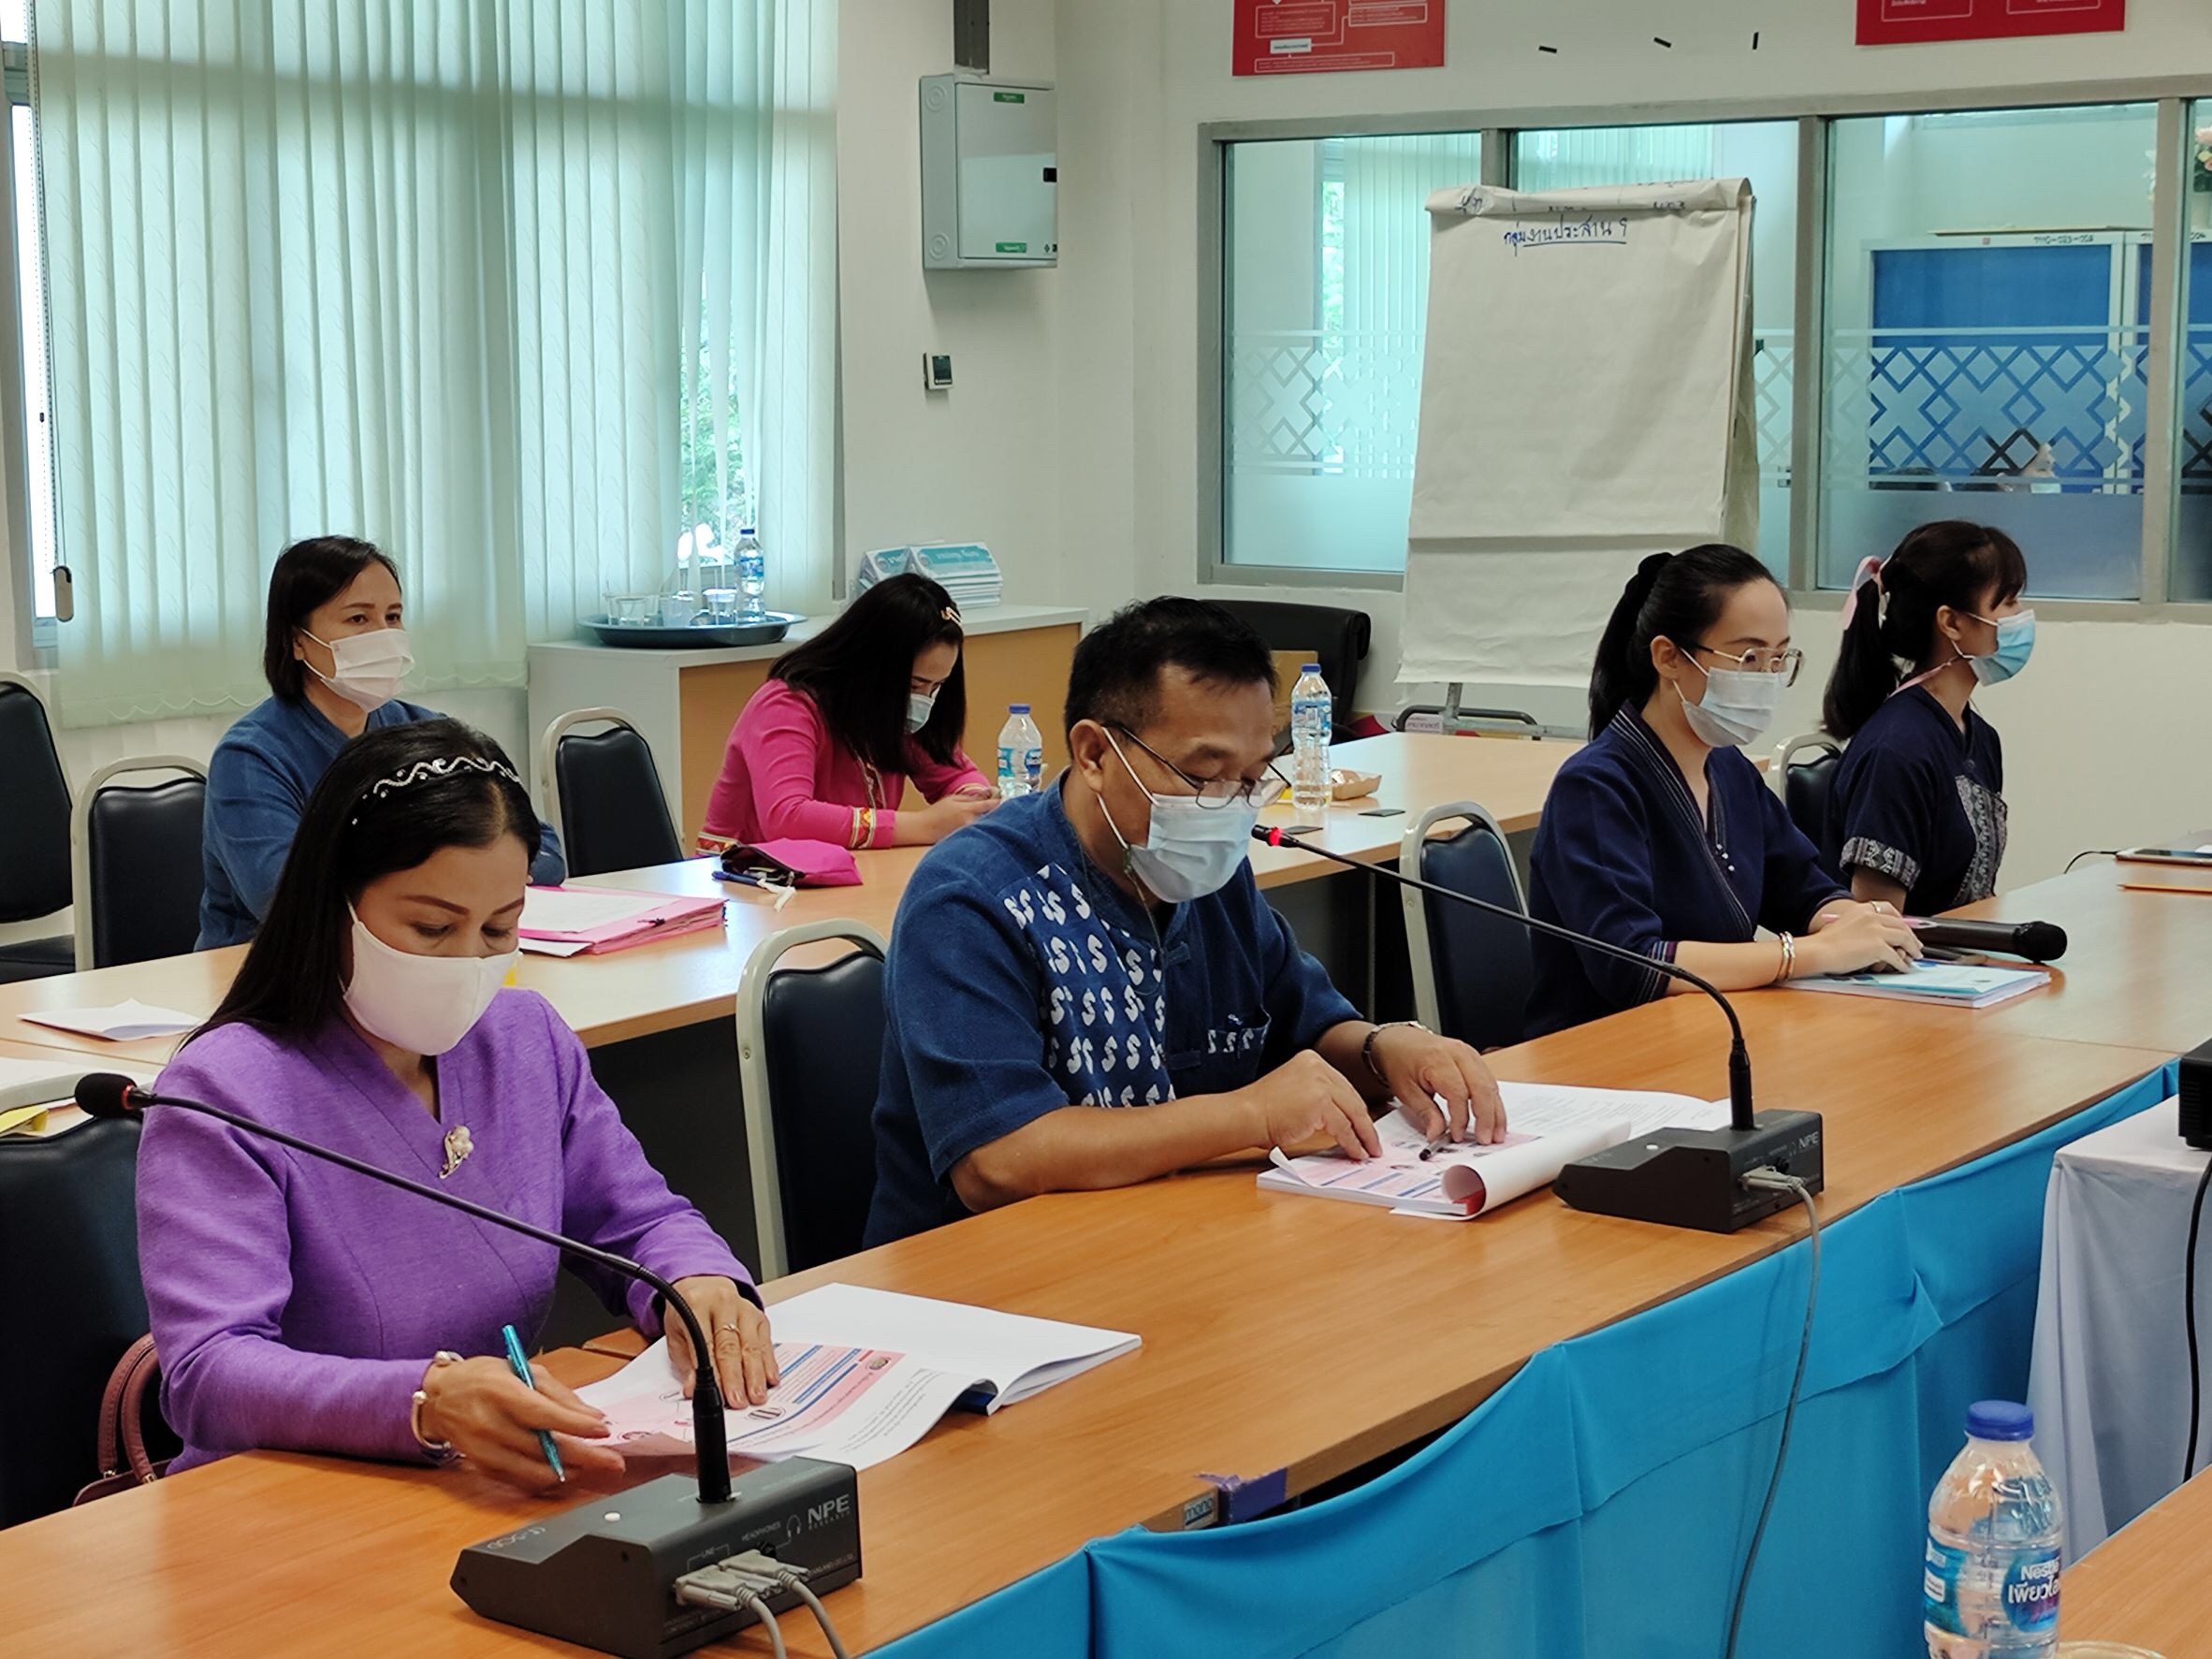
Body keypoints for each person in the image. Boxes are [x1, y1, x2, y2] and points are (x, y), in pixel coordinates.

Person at [140, 720, 773, 1488]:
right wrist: (424, 1401)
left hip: (486, 1481)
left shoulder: (524, 1038)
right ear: (334, 903)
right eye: (432, 927)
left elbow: (640, 1220)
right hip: (289, 1498)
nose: (468, 962)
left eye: (500, 927)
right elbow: (209, 1372)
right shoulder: (224, 1092)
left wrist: (700, 1279)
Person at [865, 596, 1506, 1245]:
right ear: (1094, 753)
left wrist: (1386, 1048)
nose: (1228, 807)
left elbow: (1310, 1026)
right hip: (987, 1273)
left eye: (1250, 778)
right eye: (1204, 774)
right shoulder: (973, 896)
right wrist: (1250, 1114)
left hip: (1171, 1239)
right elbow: (997, 1160)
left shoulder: (1206, 875)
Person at [1525, 545, 1923, 1040]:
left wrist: (1858, 925)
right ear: (1668, 657)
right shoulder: (1595, 786)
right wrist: (1808, 953)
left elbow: (1802, 889)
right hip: (1604, 1050)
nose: (1767, 678)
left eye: (1779, 658)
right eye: (1750, 657)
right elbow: (1633, 963)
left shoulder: (1729, 768)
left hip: (1709, 1034)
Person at [197, 536, 565, 949]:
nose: (383, 635)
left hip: (417, 957)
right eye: (358, 619)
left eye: (393, 617)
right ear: (297, 640)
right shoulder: (252, 756)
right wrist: (463, 881)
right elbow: (281, 895)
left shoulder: (429, 733)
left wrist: (447, 888)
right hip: (270, 964)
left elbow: (544, 852)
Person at [697, 573, 997, 853]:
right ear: (872, 665)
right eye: (914, 685)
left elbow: (955, 773)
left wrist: (974, 803)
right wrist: (923, 825)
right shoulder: (786, 704)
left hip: (844, 871)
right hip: (744, 877)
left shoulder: (896, 710)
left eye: (937, 687)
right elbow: (787, 817)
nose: (924, 700)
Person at [1820, 521, 2030, 916]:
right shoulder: (1896, 751)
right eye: (2008, 602)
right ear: (1951, 622)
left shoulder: (1980, 737)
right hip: (1898, 955)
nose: (2022, 616)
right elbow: (1876, 921)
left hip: (1965, 951)